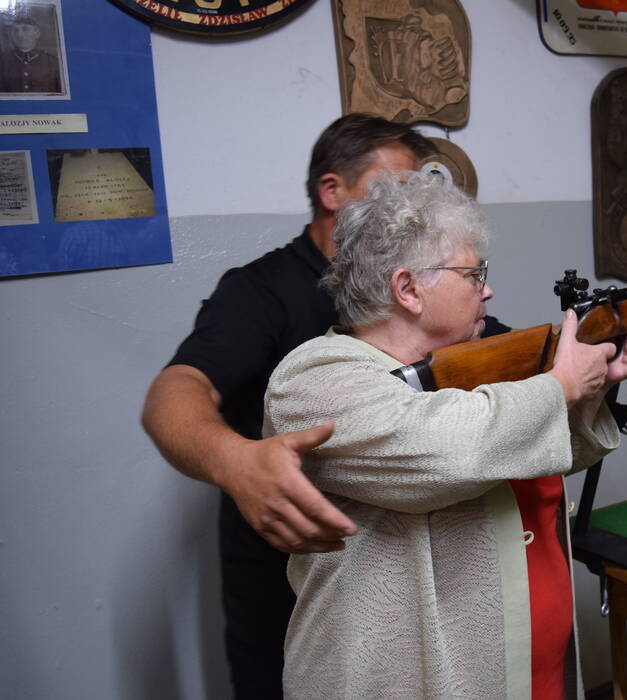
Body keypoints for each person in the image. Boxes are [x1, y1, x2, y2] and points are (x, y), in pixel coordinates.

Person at [265, 171, 627, 699]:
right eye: (474, 274)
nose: (488, 289)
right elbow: (452, 453)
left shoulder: (468, 367)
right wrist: (562, 385)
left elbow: (534, 451)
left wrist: (593, 388)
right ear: (408, 289)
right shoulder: (312, 381)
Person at [140, 115, 486, 699]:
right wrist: (236, 461)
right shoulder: (260, 290)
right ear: (332, 192)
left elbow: (509, 351)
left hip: (393, 592)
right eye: (393, 187)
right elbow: (172, 393)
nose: (411, 205)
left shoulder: (426, 287)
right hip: (284, 587)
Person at [0, 11, 61, 94]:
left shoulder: (52, 62)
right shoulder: (3, 61)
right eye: (15, 30)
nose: (19, 34)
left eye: (25, 29)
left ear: (37, 33)